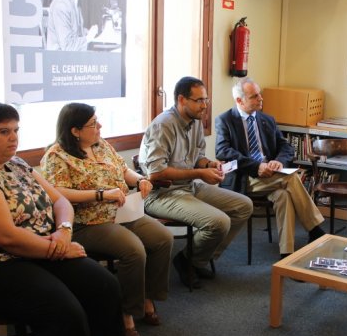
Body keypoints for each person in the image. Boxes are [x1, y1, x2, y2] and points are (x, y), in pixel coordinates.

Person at [0, 101, 122, 336]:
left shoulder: (18, 164)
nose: (13, 138)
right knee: (62, 307)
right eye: (3, 132)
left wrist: (65, 231)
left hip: (47, 247)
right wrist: (60, 250)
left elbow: (61, 201)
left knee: (104, 285)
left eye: (16, 130)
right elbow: (5, 236)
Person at [41, 102, 173, 336]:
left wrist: (140, 179)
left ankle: (147, 297)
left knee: (163, 238)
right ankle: (125, 312)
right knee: (134, 250)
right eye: (93, 124)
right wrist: (101, 194)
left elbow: (124, 171)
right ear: (75, 131)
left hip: (123, 212)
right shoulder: (56, 156)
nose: (99, 126)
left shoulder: (101, 145)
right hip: (88, 222)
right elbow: (57, 192)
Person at [139, 76, 253, 289]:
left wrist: (209, 164)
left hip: (189, 186)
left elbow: (197, 156)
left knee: (243, 205)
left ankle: (194, 259)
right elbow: (156, 173)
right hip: (161, 194)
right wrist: (200, 173)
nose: (204, 106)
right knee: (219, 222)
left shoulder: (195, 121)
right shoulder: (163, 125)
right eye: (199, 100)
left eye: (206, 100)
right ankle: (188, 261)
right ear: (182, 100)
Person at [215, 77, 326, 259]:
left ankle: (286, 252)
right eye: (254, 96)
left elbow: (286, 147)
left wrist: (279, 162)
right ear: (239, 101)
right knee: (291, 178)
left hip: (272, 176)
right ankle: (314, 228)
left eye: (260, 95)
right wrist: (256, 166)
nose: (260, 99)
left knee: (283, 196)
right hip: (245, 177)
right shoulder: (225, 120)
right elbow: (223, 151)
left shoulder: (267, 119)